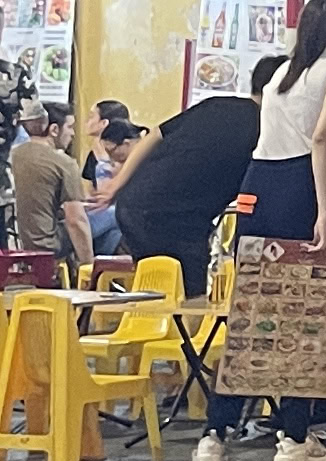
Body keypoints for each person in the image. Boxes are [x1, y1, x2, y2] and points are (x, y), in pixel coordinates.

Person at [194, 0, 326, 461]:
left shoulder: (282, 74)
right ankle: (293, 440)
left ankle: (213, 436)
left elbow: (307, 130)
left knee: (250, 315)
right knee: (305, 316)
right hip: (298, 184)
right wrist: (323, 208)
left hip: (256, 188)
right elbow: (320, 138)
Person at [94, 55, 284, 297]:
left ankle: (158, 328)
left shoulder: (217, 104)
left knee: (159, 291)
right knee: (188, 297)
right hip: (172, 217)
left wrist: (117, 186)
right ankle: (178, 332)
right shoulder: (266, 128)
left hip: (134, 204)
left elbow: (155, 135)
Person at [8, 104, 90, 273]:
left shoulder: (10, 156)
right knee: (111, 219)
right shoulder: (64, 163)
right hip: (46, 245)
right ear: (54, 129)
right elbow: (76, 221)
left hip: (14, 242)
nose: (73, 134)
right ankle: (93, 276)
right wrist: (88, 265)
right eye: (70, 127)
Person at [84, 117, 145, 257]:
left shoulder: (147, 159)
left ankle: (75, 235)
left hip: (141, 216)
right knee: (112, 234)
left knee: (113, 214)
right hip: (122, 227)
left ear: (126, 144)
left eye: (111, 151)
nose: (110, 157)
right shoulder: (112, 165)